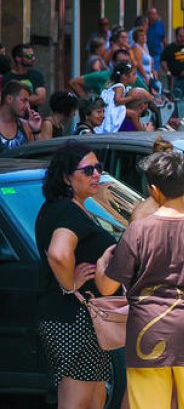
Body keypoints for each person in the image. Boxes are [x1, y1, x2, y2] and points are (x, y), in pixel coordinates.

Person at [94, 148, 184, 409]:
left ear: (155, 191)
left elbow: (107, 287)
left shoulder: (137, 231)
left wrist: (101, 265)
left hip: (145, 334)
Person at [35, 143, 115, 409]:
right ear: (67, 177)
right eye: (88, 169)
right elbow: (58, 253)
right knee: (77, 399)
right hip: (72, 317)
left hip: (84, 318)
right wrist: (70, 285)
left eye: (98, 168)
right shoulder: (65, 211)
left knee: (94, 398)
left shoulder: (71, 209)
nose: (96, 174)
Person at [99, 63, 151, 134]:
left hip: (116, 107)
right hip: (113, 109)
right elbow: (117, 101)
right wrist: (132, 97)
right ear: (124, 77)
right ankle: (142, 133)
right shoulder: (119, 86)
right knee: (133, 114)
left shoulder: (123, 87)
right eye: (134, 74)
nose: (136, 77)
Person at [0, 80, 41, 152]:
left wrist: (36, 131)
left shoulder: (25, 126)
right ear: (9, 99)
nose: (28, 106)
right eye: (24, 101)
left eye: (28, 102)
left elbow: (36, 156)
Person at [3, 42, 47, 107]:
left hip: (31, 116)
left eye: (33, 55)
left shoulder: (37, 75)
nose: (33, 58)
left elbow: (41, 99)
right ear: (18, 58)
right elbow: (4, 100)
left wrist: (16, 100)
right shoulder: (6, 77)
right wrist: (31, 98)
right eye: (29, 56)